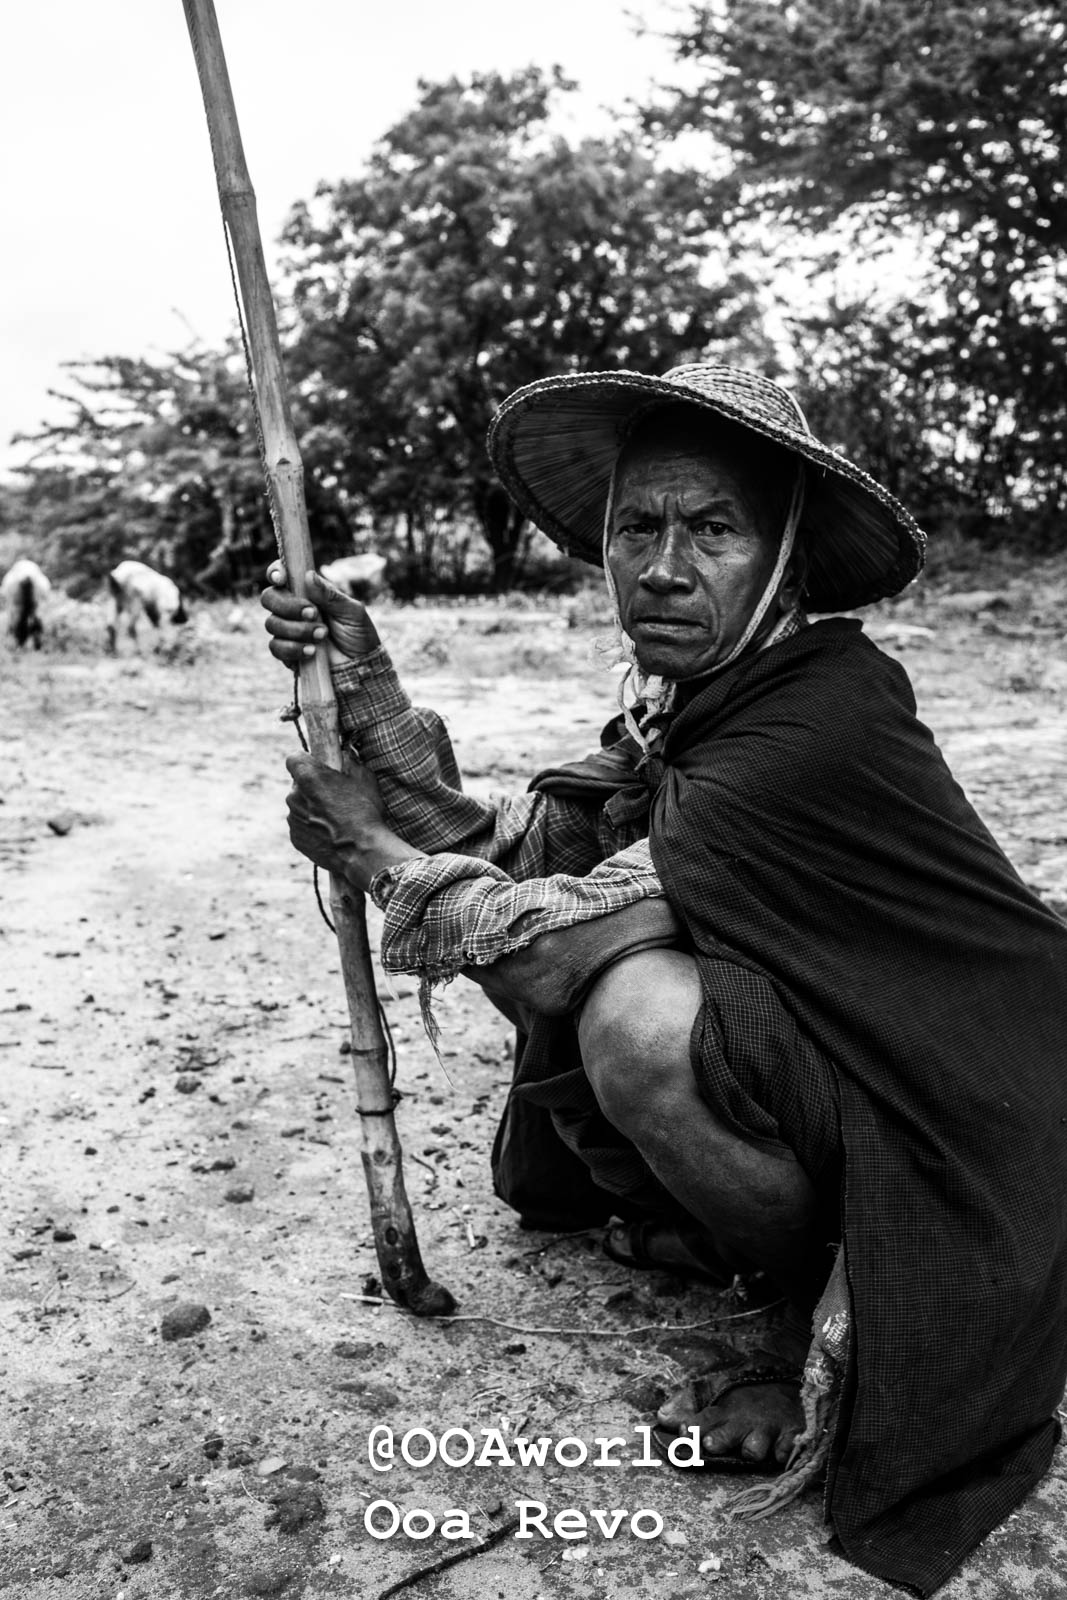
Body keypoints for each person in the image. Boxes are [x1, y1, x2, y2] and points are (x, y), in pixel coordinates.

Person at [262, 364, 1067, 1596]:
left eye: (712, 530)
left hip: (970, 1113)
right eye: (638, 528)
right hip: (850, 1058)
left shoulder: (814, 722)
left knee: (634, 1014)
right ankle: (742, 1226)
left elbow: (542, 952)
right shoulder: (677, 706)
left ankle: (808, 1315)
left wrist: (372, 852)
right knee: (622, 963)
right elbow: (523, 864)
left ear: (783, 560)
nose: (663, 566)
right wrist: (368, 687)